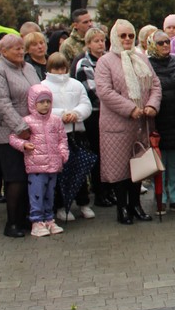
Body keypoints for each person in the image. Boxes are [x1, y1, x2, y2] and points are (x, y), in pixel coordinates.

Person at [95, 19, 162, 224]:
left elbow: (155, 85)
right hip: (117, 124)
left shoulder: (141, 58)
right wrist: (130, 108)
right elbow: (104, 91)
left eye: (131, 35)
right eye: (122, 35)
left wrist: (152, 105)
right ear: (114, 37)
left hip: (141, 124)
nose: (127, 39)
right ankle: (122, 208)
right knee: (120, 171)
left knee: (138, 167)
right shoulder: (105, 61)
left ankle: (136, 205)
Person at [0, 34, 43, 237]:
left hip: (32, 129)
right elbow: (1, 102)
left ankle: (27, 217)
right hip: (9, 131)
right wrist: (20, 127)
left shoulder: (28, 68)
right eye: (16, 48)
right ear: (3, 51)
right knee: (15, 177)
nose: (21, 51)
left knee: (30, 175)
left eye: (22, 48)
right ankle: (12, 223)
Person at [9, 84, 68, 237]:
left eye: (48, 101)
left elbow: (62, 138)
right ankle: (36, 221)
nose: (45, 105)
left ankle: (49, 218)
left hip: (54, 165)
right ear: (33, 103)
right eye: (41, 102)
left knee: (50, 194)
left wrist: (63, 153)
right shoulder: (27, 121)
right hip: (36, 167)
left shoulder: (55, 121)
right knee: (36, 194)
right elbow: (13, 137)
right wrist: (24, 145)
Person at [42, 52, 94, 221]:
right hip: (56, 134)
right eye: (56, 69)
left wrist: (76, 114)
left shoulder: (76, 84)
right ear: (50, 69)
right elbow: (43, 108)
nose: (60, 72)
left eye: (62, 68)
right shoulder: (43, 86)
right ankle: (61, 206)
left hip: (76, 132)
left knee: (80, 169)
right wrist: (62, 114)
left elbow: (86, 104)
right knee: (60, 172)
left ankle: (83, 203)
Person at [146, 29, 175, 214]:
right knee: (159, 161)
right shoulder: (146, 65)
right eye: (160, 43)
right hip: (158, 120)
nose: (165, 45)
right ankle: (160, 197)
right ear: (152, 45)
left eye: (167, 42)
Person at [74, 26, 114, 207]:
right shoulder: (84, 64)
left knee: (109, 155)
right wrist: (113, 99)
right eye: (96, 41)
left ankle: (110, 189)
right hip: (95, 114)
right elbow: (93, 91)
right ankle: (99, 192)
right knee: (97, 153)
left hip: (111, 112)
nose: (100, 44)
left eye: (102, 40)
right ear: (88, 43)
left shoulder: (108, 60)